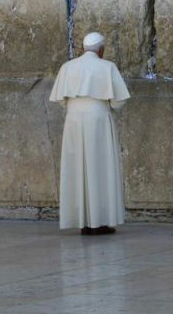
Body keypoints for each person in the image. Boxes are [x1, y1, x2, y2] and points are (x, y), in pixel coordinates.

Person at [49, 32, 130, 235]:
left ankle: (84, 221)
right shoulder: (107, 66)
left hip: (73, 121)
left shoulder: (67, 67)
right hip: (99, 120)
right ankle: (101, 220)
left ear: (82, 49)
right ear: (101, 50)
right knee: (101, 168)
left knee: (77, 168)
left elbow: (61, 99)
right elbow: (119, 101)